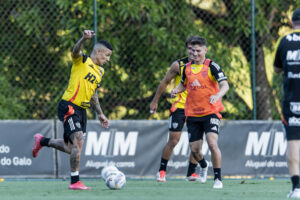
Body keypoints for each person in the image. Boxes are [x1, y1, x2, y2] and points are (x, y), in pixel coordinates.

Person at [31, 30, 113, 190]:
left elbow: (93, 94)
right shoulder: (82, 61)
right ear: (98, 51)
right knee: (79, 141)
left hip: (82, 111)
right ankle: (75, 181)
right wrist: (83, 38)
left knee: (71, 148)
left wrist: (100, 113)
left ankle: (42, 141)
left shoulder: (100, 72)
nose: (108, 59)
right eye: (107, 55)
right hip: (69, 105)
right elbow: (75, 51)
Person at [171, 37, 229, 189]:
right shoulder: (187, 68)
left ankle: (217, 179)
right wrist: (176, 90)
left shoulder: (212, 66)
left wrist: (218, 95)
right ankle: (204, 165)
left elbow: (225, 85)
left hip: (211, 112)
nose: (195, 53)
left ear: (205, 50)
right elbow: (183, 85)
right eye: (192, 50)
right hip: (193, 115)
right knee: (195, 151)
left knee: (212, 143)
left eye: (198, 50)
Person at [150, 35, 208, 182]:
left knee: (196, 143)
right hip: (180, 107)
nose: (192, 52)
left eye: (195, 49)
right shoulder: (178, 65)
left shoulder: (207, 66)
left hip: (198, 109)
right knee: (174, 140)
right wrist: (155, 101)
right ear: (187, 49)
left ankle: (191, 173)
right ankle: (162, 171)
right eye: (189, 49)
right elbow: (164, 82)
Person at [274, 8, 300, 199]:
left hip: (292, 102)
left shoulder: (284, 42)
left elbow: (276, 69)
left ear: (292, 23)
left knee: (293, 143)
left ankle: (297, 188)